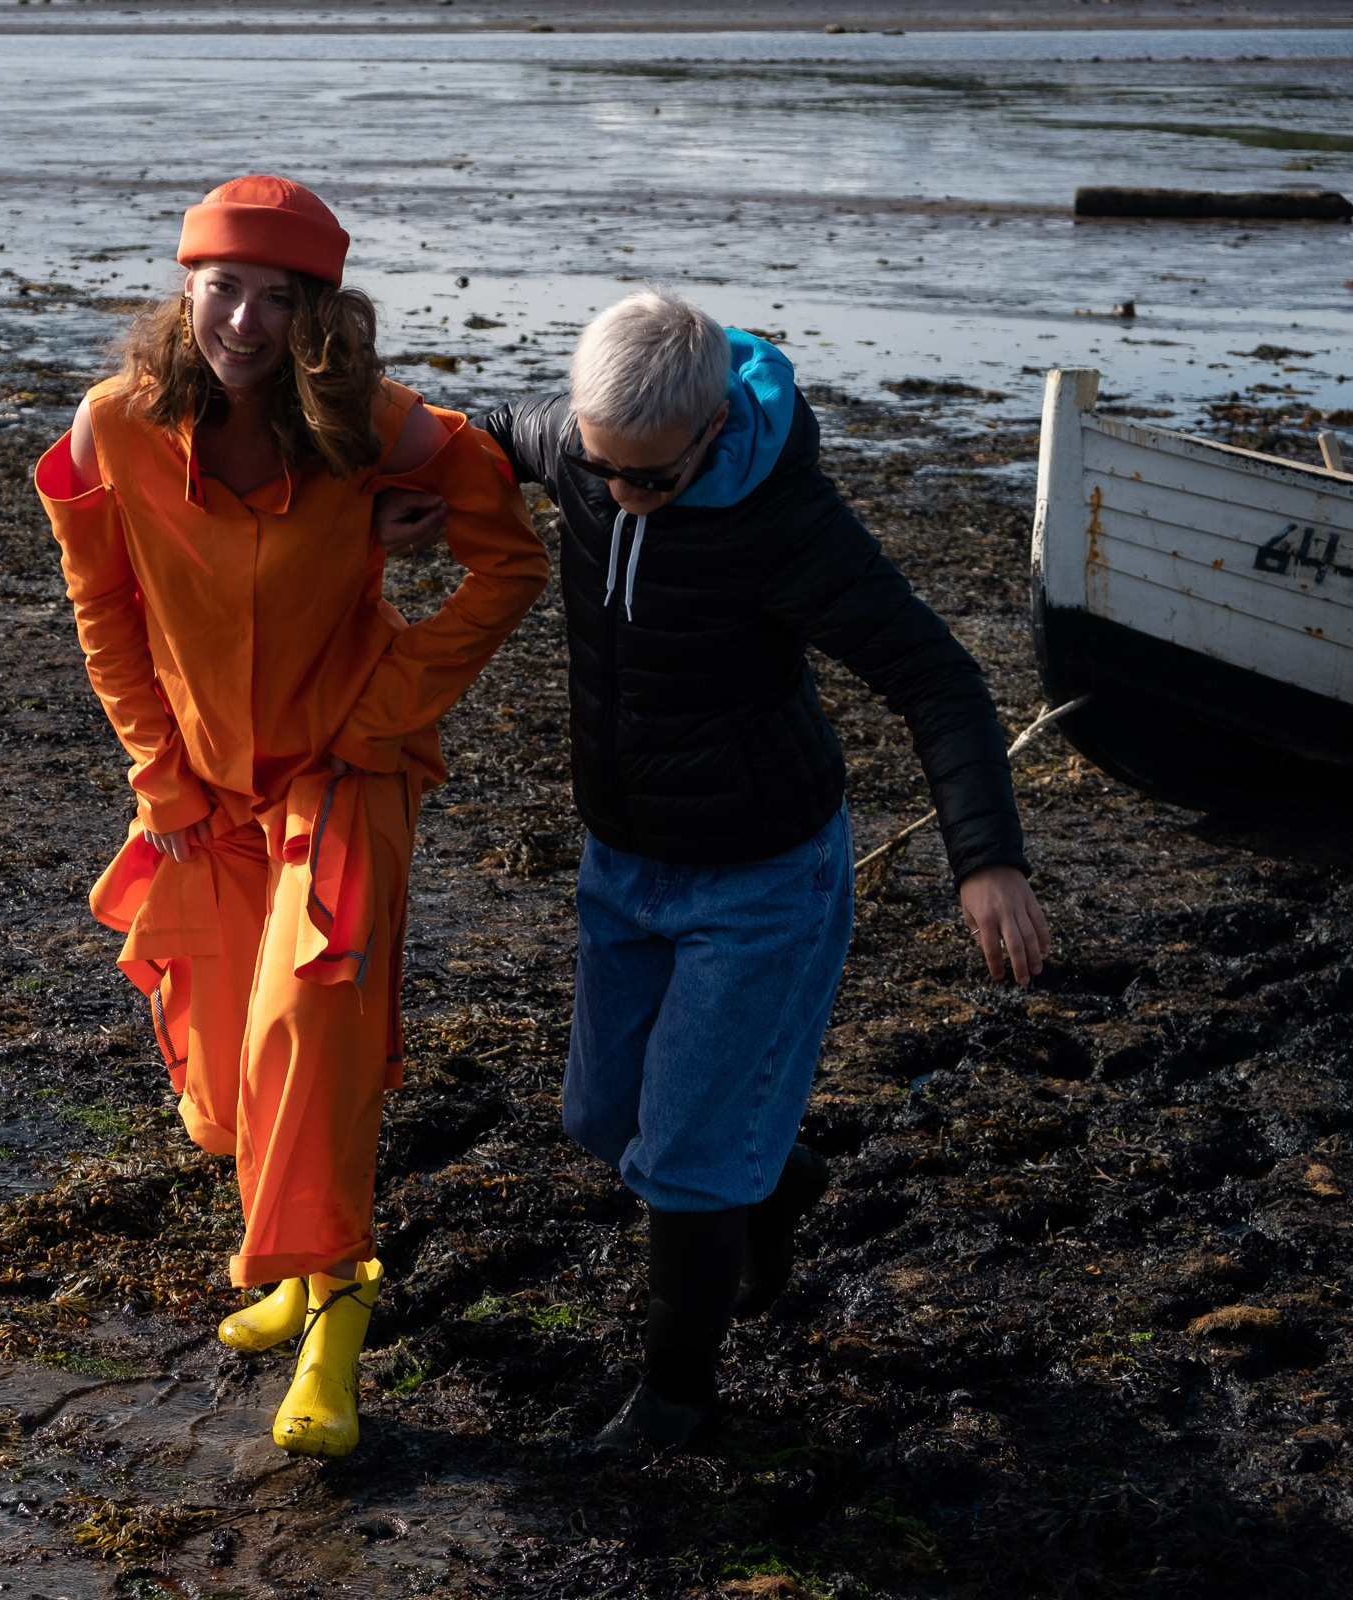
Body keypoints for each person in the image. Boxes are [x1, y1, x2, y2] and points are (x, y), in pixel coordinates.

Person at [374, 288, 1049, 1449]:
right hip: (624, 856)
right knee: (604, 1118)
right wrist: (430, 496)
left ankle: (678, 1391)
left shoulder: (787, 525)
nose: (619, 494)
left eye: (648, 479)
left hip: (762, 875)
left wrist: (984, 860)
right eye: (602, 470)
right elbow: (481, 426)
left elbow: (938, 679)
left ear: (712, 434)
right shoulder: (589, 445)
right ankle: (772, 1182)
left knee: (682, 1158)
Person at [37, 175, 548, 1457]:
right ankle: (292, 1268)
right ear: (186, 289)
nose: (247, 323)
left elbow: (510, 561)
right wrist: (158, 772)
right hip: (204, 786)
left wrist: (388, 708)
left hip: (343, 774)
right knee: (223, 1049)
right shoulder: (115, 429)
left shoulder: (381, 431)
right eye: (226, 290)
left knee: (309, 1019)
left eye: (280, 299)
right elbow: (106, 617)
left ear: (321, 309)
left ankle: (339, 1317)